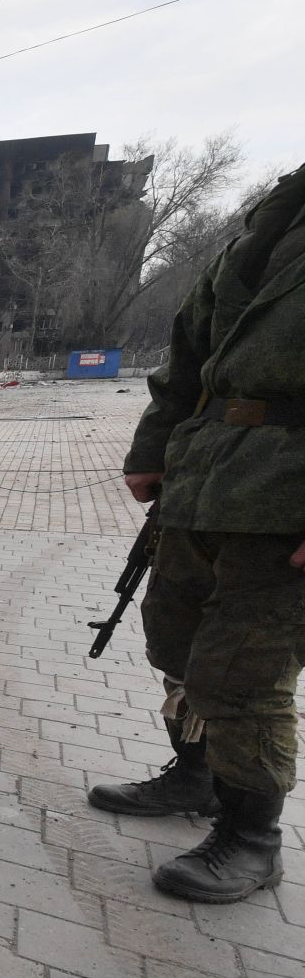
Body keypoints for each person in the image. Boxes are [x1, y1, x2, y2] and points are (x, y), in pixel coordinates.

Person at [88, 163, 305, 903]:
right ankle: (197, 777)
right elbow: (189, 349)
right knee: (175, 640)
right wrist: (154, 448)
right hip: (205, 474)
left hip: (285, 494)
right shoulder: (272, 215)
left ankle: (252, 839)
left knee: (243, 674)